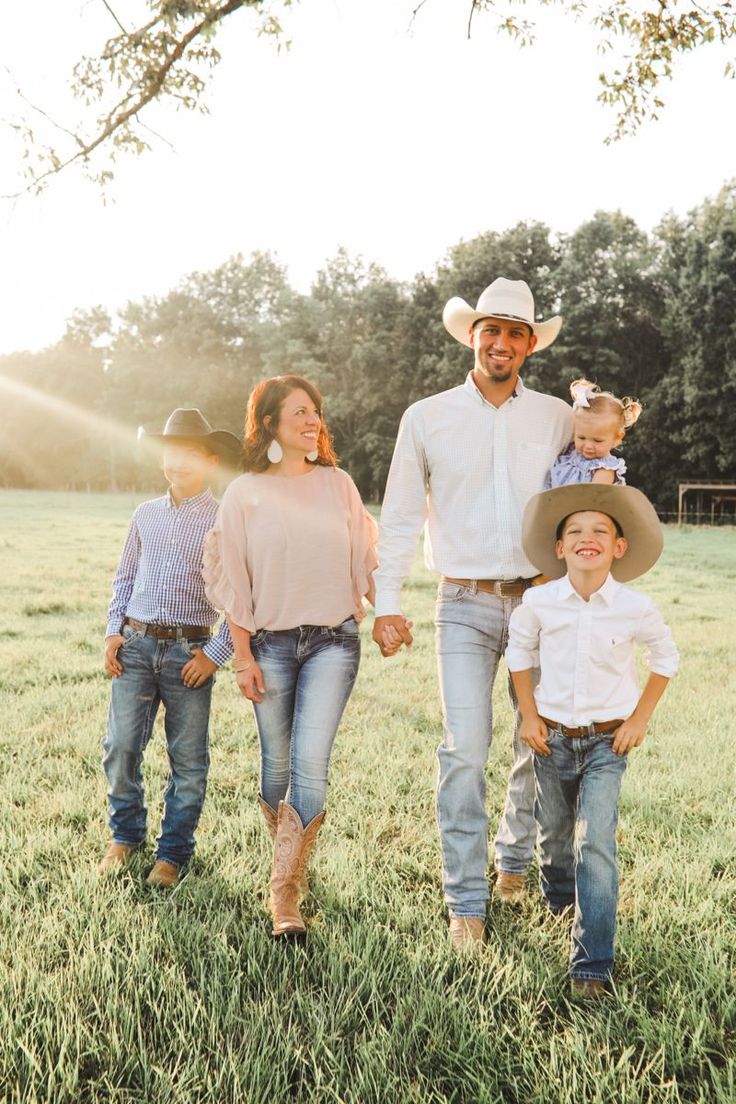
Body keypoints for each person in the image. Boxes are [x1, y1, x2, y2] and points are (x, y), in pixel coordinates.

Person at [372, 277, 574, 949]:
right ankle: (466, 901)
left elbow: (593, 483)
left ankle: (512, 861)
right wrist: (389, 603)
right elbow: (399, 518)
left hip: (538, 603)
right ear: (472, 336)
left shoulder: (553, 418)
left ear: (528, 346)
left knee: (534, 742)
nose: (503, 342)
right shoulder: (426, 417)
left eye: (517, 333)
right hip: (460, 603)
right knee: (465, 750)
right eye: (493, 329)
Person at [203, 375, 381, 938]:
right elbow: (233, 576)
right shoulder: (245, 492)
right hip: (270, 644)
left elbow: (367, 556)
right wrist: (242, 654)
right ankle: (291, 853)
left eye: (316, 412)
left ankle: (285, 893)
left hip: (334, 639)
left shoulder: (339, 484)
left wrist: (390, 610)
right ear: (272, 422)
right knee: (275, 764)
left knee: (309, 761)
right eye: (300, 412)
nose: (313, 421)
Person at [505, 483, 679, 999]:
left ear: (618, 547)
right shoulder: (539, 601)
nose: (588, 537)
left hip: (608, 744)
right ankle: (560, 901)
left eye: (600, 530)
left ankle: (592, 965)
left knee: (595, 842)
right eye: (574, 531)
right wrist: (529, 718)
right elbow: (519, 656)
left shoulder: (634, 607)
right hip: (550, 738)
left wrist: (639, 718)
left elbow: (666, 659)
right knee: (554, 837)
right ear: (559, 548)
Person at [100, 408, 238, 887]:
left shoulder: (225, 518)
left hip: (189, 653)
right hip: (135, 645)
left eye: (189, 455)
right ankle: (126, 834)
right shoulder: (145, 515)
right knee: (120, 747)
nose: (176, 463)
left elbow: (244, 595)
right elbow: (124, 578)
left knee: (189, 761)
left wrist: (215, 654)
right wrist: (113, 631)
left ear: (210, 459)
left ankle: (173, 852)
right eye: (169, 453)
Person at [546, 378, 642, 488]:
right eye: (581, 437)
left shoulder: (604, 470)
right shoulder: (571, 453)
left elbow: (593, 498)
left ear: (617, 438)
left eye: (597, 440)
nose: (588, 446)